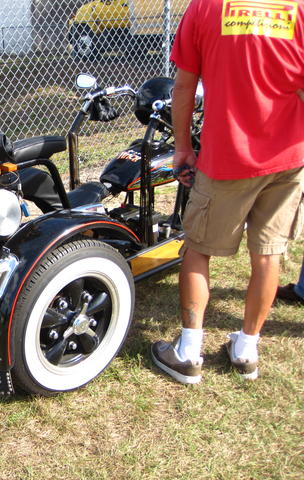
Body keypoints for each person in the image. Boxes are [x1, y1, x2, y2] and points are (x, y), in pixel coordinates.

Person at [150, 0, 304, 384]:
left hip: (226, 159)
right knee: (268, 254)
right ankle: (246, 349)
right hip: (288, 159)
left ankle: (188, 352)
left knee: (198, 248)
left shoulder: (205, 7)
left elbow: (183, 86)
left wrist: (182, 148)